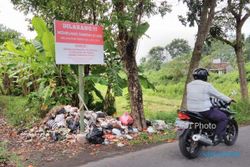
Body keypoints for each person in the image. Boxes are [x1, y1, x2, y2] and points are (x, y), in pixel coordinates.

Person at [186, 68, 233, 144]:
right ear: (205, 77)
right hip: (204, 111)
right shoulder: (207, 85)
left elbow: (196, 95)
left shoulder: (189, 85)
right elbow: (218, 95)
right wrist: (229, 99)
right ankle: (217, 136)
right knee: (223, 118)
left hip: (190, 110)